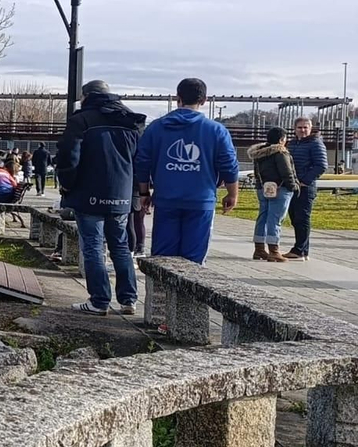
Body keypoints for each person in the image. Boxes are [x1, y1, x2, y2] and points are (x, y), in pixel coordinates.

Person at [55, 80, 145, 315]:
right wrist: (137, 191)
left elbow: (69, 156)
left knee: (93, 247)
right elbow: (140, 160)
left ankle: (99, 300)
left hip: (88, 193)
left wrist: (67, 184)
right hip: (121, 194)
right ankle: (129, 299)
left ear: (86, 96)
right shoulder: (131, 121)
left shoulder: (81, 120)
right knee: (121, 246)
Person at [134, 78, 240, 265]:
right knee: (194, 262)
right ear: (204, 100)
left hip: (166, 199)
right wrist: (233, 194)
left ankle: (161, 284)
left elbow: (142, 162)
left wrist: (144, 192)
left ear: (178, 98)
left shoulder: (156, 127)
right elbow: (229, 165)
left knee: (162, 259)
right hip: (200, 201)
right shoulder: (216, 130)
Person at [248, 126, 299, 262]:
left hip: (262, 188)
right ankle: (273, 251)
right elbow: (287, 172)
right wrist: (293, 186)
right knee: (275, 219)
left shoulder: (259, 154)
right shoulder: (281, 153)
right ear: (282, 139)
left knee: (263, 217)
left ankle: (259, 249)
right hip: (280, 189)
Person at [286, 117, 328, 259]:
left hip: (305, 187)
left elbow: (321, 165)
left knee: (302, 218)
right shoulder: (292, 144)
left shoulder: (315, 143)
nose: (303, 130)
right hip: (293, 186)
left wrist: (305, 181)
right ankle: (303, 250)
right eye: (300, 127)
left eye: (305, 127)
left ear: (310, 129)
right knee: (294, 218)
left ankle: (299, 250)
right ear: (294, 129)